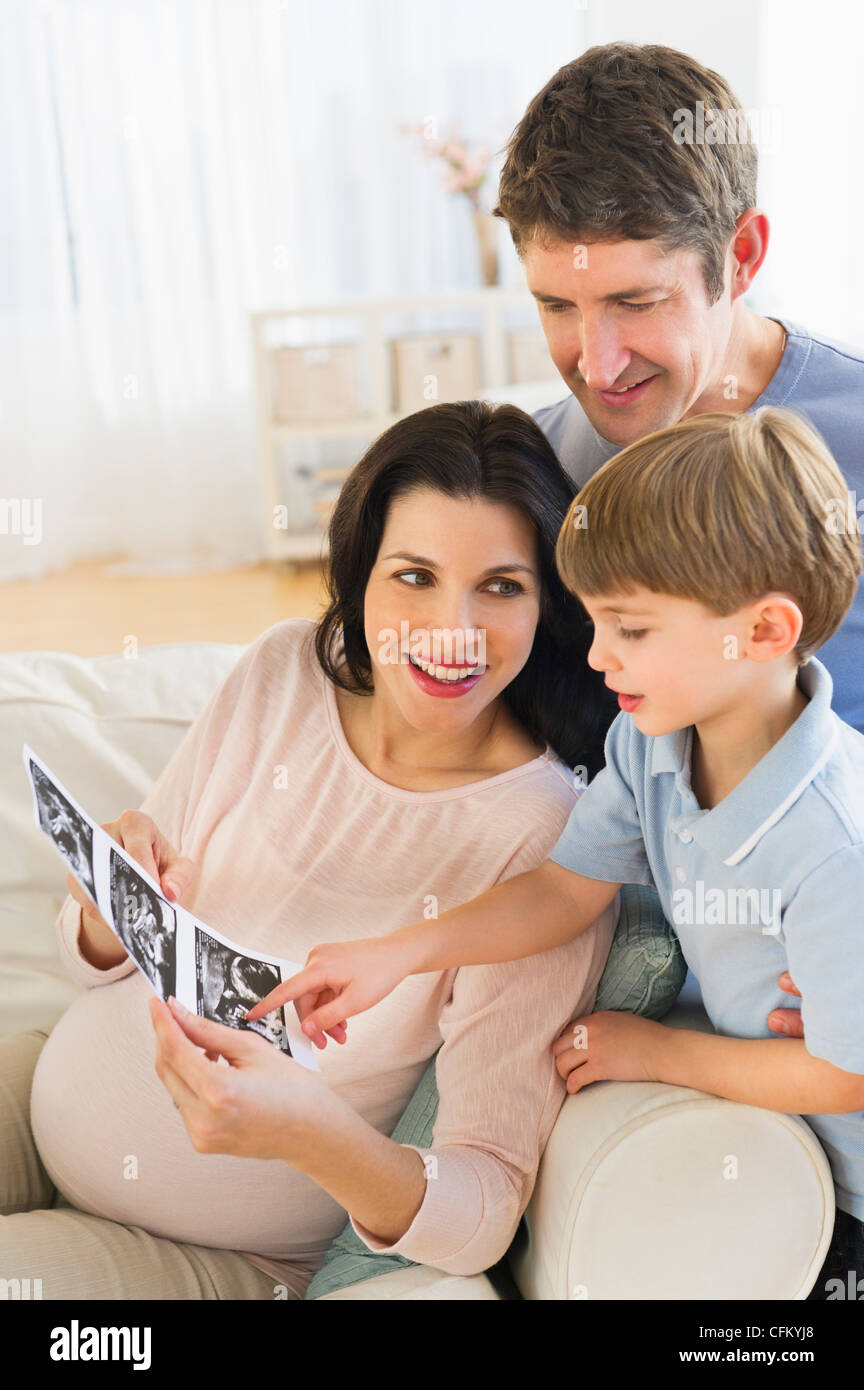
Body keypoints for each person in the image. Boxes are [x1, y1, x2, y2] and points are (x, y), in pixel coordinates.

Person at [0, 400, 618, 1299]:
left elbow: (482, 1210)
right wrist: (103, 911)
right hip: (42, 1102)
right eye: (414, 576)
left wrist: (307, 1134)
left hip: (217, 1257)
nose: (452, 627)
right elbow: (94, 960)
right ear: (360, 576)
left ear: (548, 605)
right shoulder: (283, 672)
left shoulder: (548, 850)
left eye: (502, 585)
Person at [254, 407, 864, 1300]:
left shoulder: (832, 842)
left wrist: (658, 1054)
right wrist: (399, 951)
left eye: (633, 629)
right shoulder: (654, 742)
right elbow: (559, 890)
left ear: (765, 633)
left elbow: (845, 1073)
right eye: (593, 622)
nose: (597, 655)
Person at [507, 40, 864, 1042]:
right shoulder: (531, 470)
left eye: (636, 300)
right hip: (596, 956)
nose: (598, 360)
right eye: (557, 307)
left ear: (741, 256)